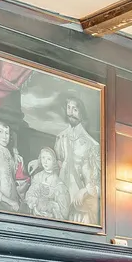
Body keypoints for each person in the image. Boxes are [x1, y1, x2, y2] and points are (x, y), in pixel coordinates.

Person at [54, 96, 100, 224]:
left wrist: (85, 191)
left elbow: (98, 181)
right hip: (61, 198)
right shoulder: (60, 138)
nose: (70, 112)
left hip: (80, 202)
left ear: (81, 113)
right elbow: (57, 164)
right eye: (68, 108)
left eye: (75, 109)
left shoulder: (92, 145)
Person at [25, 146, 69, 220]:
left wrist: (51, 206)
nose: (45, 162)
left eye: (49, 159)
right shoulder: (37, 177)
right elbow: (29, 195)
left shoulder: (58, 183)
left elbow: (63, 211)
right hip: (34, 216)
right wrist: (35, 203)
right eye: (43, 158)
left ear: (54, 161)